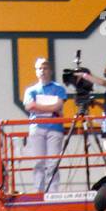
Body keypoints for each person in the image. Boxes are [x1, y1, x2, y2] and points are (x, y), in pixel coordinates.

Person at [23, 58, 67, 193]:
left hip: (55, 128)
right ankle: (39, 191)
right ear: (36, 71)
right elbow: (29, 106)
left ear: (50, 70)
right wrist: (51, 108)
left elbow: (59, 105)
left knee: (53, 163)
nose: (42, 71)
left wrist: (39, 107)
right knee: (38, 162)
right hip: (37, 128)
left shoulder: (58, 88)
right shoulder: (31, 90)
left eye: (45, 68)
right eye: (39, 68)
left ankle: (53, 191)